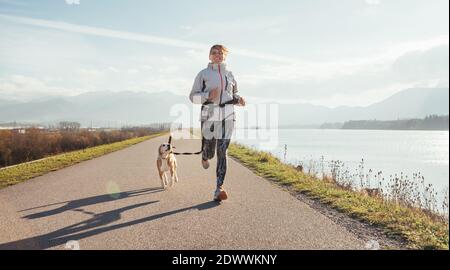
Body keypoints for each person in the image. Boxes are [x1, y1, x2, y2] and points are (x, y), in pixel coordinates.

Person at [189, 44, 246, 201]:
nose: (218, 55)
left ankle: (219, 188)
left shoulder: (230, 74)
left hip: (228, 116)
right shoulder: (204, 74)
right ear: (209, 56)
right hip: (209, 115)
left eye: (221, 53)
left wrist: (240, 99)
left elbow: (234, 93)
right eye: (214, 53)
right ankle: (205, 155)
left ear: (225, 56)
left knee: (222, 151)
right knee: (210, 149)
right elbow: (192, 96)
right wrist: (207, 95)